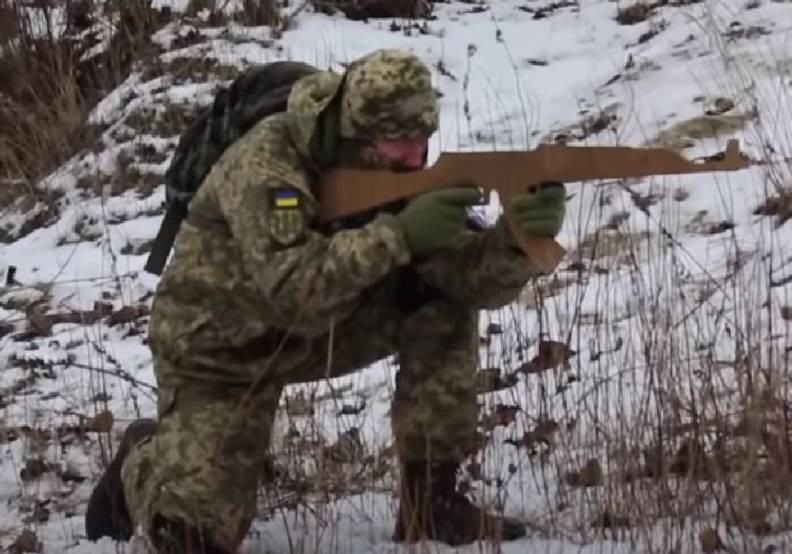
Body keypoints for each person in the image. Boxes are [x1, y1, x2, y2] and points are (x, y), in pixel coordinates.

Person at [85, 48, 566, 553]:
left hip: (316, 332)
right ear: (354, 133)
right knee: (195, 538)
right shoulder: (266, 163)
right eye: (400, 142)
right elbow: (293, 290)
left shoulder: (396, 168)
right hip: (217, 352)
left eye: (423, 137)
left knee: (440, 300)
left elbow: (469, 284)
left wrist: (516, 240)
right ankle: (140, 461)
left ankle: (431, 504)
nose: (416, 155)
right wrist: (399, 235)